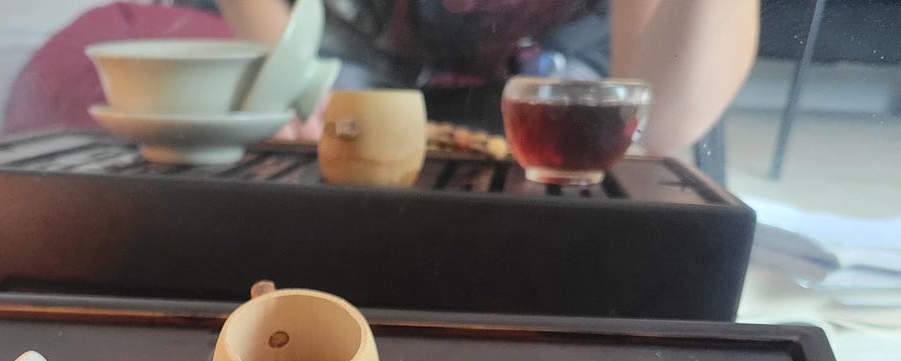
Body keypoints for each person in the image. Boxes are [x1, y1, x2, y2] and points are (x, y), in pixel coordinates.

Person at [213, 0, 759, 156]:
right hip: (355, 73)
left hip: (563, 84)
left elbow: (658, 122)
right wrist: (289, 83)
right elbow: (286, 71)